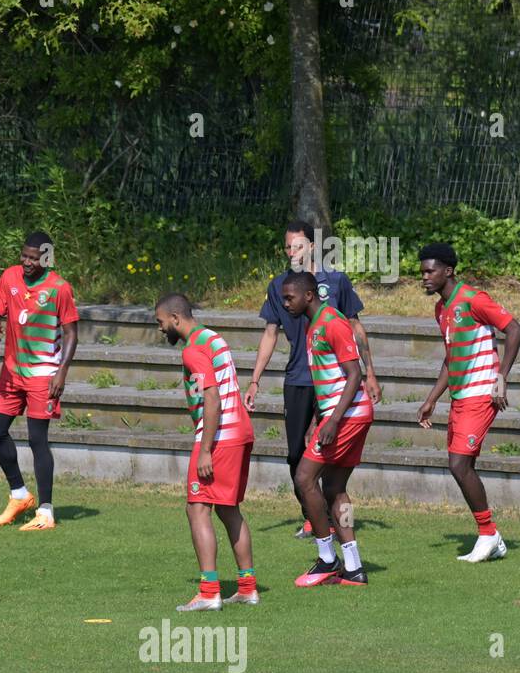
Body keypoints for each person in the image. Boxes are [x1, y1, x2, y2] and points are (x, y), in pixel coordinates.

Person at [245, 221, 381, 539]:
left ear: (313, 246)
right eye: (288, 247)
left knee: (331, 467)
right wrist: (254, 380)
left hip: (334, 385)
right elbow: (269, 334)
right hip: (299, 380)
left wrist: (370, 372)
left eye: (298, 245)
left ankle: (333, 528)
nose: (292, 252)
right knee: (296, 455)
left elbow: (356, 329)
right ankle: (313, 516)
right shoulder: (280, 287)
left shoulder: (335, 282)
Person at [416, 243, 520, 562]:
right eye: (422, 271)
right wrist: (432, 399)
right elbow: (451, 358)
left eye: (429, 271)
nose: (424, 277)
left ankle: (488, 534)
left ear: (448, 271)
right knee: (463, 465)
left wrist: (500, 379)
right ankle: (492, 540)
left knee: (458, 464)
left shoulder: (474, 299)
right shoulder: (441, 309)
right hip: (459, 397)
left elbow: (515, 330)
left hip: (481, 395)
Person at [154, 295, 258, 611]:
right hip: (240, 430)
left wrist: (205, 450)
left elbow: (211, 398)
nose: (160, 330)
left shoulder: (193, 350)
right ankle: (247, 587)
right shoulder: (214, 338)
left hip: (219, 437)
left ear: (175, 318)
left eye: (160, 322)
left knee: (197, 508)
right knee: (228, 509)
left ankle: (209, 591)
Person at [281, 271, 373, 587]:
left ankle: (326, 559)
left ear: (309, 295)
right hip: (345, 415)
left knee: (305, 478)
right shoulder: (312, 326)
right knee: (335, 489)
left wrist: (332, 420)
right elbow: (326, 382)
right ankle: (354, 567)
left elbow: (353, 375)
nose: (285, 303)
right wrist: (315, 421)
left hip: (348, 417)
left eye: (289, 297)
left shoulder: (331, 322)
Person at [0, 230, 79, 530]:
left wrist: (61, 371)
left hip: (43, 375)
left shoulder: (59, 288)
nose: (26, 262)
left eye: (33, 258)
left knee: (38, 440)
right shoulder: (10, 277)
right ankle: (19, 494)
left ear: (46, 257)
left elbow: (72, 333)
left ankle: (46, 512)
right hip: (11, 372)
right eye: (23, 256)